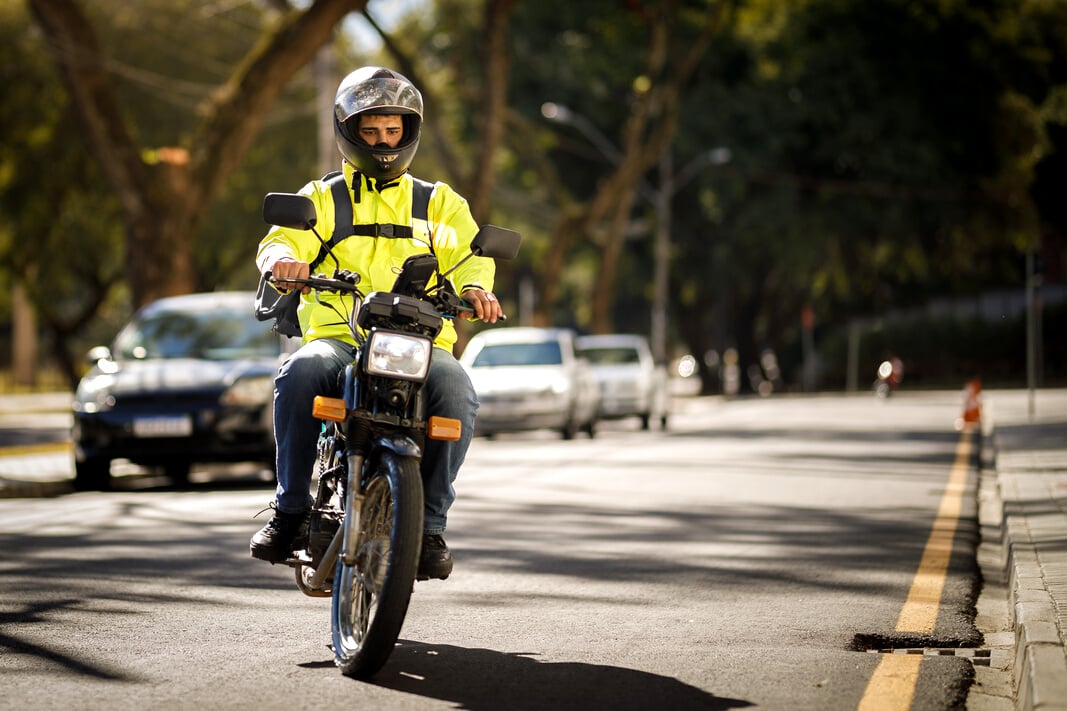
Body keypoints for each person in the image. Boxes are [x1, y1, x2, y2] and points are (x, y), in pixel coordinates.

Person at [249, 66, 504, 580]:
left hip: (420, 343)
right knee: (297, 375)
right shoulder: (322, 197)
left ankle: (429, 527)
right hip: (341, 338)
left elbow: (471, 257)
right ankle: (290, 510)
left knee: (457, 390)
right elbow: (280, 240)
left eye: (392, 131)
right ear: (348, 131)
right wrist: (281, 264)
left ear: (409, 131)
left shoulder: (440, 201)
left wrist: (477, 287)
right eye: (371, 131)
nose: (383, 141)